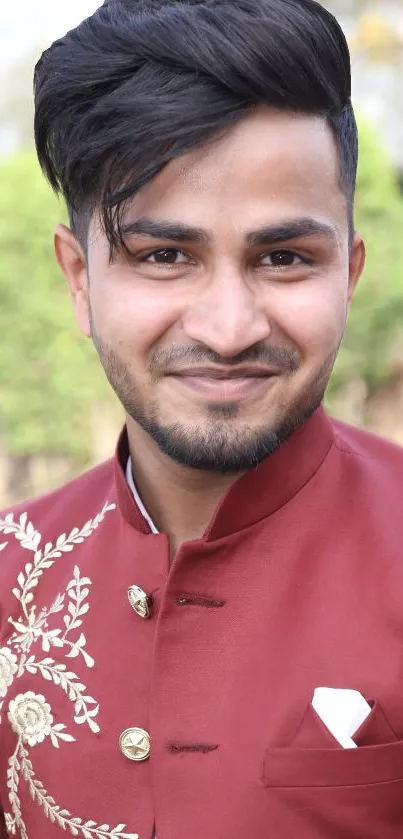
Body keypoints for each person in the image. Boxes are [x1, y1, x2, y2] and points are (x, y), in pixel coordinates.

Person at [1, 0, 403, 836]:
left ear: (349, 271)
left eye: (284, 257)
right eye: (164, 257)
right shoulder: (10, 578)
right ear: (78, 279)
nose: (228, 328)